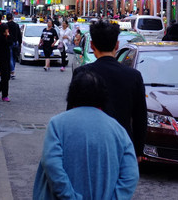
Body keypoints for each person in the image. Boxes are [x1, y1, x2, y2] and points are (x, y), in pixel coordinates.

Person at [33, 70, 139, 200]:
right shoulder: (118, 130)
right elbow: (131, 175)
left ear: (72, 94)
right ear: (103, 96)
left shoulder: (58, 124)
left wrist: (70, 196)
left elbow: (51, 165)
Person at [73, 20, 147, 159]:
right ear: (117, 45)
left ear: (92, 45)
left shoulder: (82, 73)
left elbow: (72, 114)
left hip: (89, 145)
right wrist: (138, 152)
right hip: (122, 145)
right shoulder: (133, 76)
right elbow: (140, 118)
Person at [0, 23, 12, 101]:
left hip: (7, 58)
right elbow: (7, 43)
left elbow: (11, 42)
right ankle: (5, 95)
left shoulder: (6, 37)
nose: (8, 30)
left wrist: (8, 35)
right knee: (5, 76)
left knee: (7, 76)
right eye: (6, 29)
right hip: (1, 59)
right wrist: (8, 36)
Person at [5, 13, 21, 78]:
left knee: (10, 57)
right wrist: (20, 43)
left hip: (8, 42)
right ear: (12, 18)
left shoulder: (5, 25)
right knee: (14, 57)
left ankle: (12, 71)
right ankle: (12, 71)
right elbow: (19, 35)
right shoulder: (16, 25)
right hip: (15, 42)